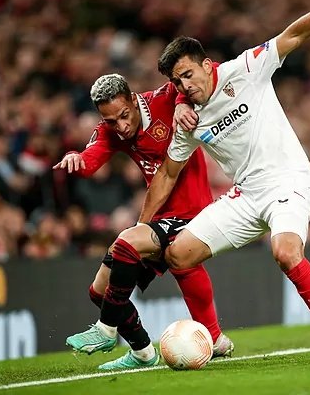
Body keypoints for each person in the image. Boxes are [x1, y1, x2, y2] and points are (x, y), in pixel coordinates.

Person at [139, 0, 310, 363]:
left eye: (189, 74)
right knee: (178, 254)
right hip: (246, 195)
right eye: (178, 82)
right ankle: (213, 339)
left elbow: (294, 35)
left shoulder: (245, 68)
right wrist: (142, 227)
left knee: (286, 253)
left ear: (208, 66)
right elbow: (167, 174)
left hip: (288, 181)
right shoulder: (188, 121)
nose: (185, 86)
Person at [55, 73, 233, 370]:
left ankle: (106, 328)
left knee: (130, 243)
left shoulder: (163, 100)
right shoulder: (110, 130)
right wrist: (76, 157)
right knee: (99, 291)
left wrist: (181, 103)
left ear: (133, 100)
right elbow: (91, 159)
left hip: (192, 213)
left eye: (124, 115)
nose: (121, 126)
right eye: (111, 121)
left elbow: (192, 80)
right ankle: (143, 352)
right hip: (160, 216)